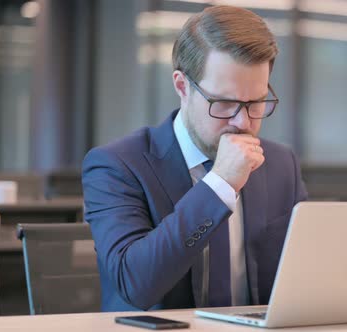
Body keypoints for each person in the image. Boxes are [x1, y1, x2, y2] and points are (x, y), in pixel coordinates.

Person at [82, 5, 307, 312]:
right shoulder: (116, 165)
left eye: (256, 102)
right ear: (182, 86)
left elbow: (303, 278)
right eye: (225, 103)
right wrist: (219, 185)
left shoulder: (281, 164)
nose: (242, 123)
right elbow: (135, 285)